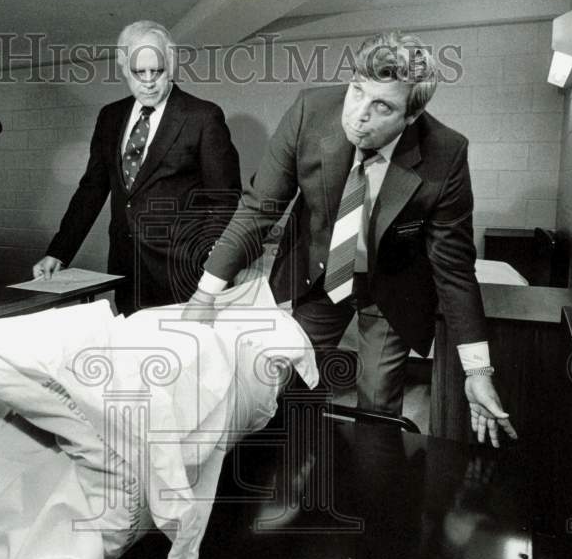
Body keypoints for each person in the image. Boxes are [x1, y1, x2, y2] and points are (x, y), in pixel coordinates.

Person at [184, 31, 517, 447]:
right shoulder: (311, 111)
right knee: (287, 385)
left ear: (410, 117)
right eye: (357, 91)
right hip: (321, 276)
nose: (359, 115)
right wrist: (204, 297)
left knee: (377, 405)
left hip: (394, 285)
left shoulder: (445, 153)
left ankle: (371, 492)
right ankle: (302, 482)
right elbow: (258, 208)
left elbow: (453, 268)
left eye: (383, 107)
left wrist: (478, 373)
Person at [32, 20, 242, 315]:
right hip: (128, 270)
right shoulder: (110, 117)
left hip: (186, 272)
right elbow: (92, 189)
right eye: (137, 72)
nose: (148, 81)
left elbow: (225, 200)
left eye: (157, 71)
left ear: (171, 66)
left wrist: (213, 266)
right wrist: (59, 251)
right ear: (123, 67)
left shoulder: (202, 117)